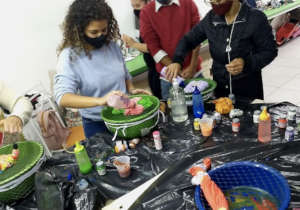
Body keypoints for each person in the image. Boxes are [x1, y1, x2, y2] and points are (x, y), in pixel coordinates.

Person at [54, 0, 150, 139]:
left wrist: (131, 89)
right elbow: (63, 97)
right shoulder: (70, 57)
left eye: (104, 30)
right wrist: (100, 101)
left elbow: (124, 73)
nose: (101, 35)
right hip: (97, 124)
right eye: (94, 32)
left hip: (123, 117)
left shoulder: (112, 46)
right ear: (80, 30)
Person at [168, 0, 278, 101]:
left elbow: (270, 51)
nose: (215, 4)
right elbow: (188, 40)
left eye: (219, 0)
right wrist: (177, 60)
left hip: (247, 88)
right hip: (220, 87)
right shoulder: (211, 19)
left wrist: (246, 63)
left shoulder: (255, 18)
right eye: (211, 1)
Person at [140, 0, 203, 100]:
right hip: (169, 79)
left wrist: (193, 66)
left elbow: (198, 36)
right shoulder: (146, 13)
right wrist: (176, 70)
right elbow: (154, 48)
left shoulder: (188, 3)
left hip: (194, 73)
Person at [122, 0, 162, 99]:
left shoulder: (157, 17)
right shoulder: (139, 19)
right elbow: (143, 42)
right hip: (152, 68)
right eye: (133, 6)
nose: (135, 9)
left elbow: (155, 48)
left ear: (149, 2)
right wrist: (134, 44)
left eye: (138, 5)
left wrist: (134, 44)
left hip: (161, 69)